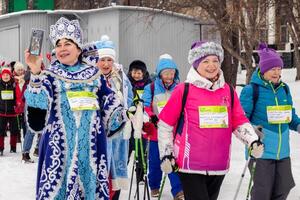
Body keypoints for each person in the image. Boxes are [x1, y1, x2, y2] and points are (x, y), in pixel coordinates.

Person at [24, 17, 126, 199]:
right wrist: (35, 72)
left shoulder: (94, 75)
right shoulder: (49, 76)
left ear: (78, 48)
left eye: (68, 43)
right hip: (60, 152)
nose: (62, 48)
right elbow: (37, 114)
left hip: (91, 151)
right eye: (59, 44)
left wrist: (123, 112)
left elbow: (109, 102)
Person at [157, 41, 264, 200]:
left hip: (219, 164)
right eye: (205, 61)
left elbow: (239, 121)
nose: (211, 65)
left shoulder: (228, 90)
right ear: (196, 64)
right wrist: (167, 154)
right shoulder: (183, 90)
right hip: (190, 165)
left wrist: (252, 141)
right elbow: (165, 124)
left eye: (215, 60)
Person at [240, 43, 300, 200]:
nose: (277, 72)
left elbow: (290, 115)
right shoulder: (252, 90)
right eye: (273, 69)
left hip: (283, 152)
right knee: (262, 192)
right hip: (261, 151)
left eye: (279, 69)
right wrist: (253, 133)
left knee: (284, 187)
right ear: (263, 69)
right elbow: (241, 119)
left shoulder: (284, 89)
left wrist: (298, 125)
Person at [95, 35, 133, 200]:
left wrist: (129, 114)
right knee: (100, 170)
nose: (105, 64)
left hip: (118, 133)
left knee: (116, 171)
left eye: (109, 60)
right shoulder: (91, 77)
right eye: (102, 59)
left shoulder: (122, 77)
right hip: (98, 132)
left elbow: (129, 98)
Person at [142, 54, 184, 200]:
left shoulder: (179, 87)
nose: (169, 76)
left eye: (172, 72)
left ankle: (178, 190)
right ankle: (154, 186)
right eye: (166, 73)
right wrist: (151, 116)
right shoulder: (151, 88)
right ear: (160, 73)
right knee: (155, 162)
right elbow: (145, 105)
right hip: (155, 132)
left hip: (174, 131)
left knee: (173, 160)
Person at [0, 67, 20, 156]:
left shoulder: (14, 84)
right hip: (1, 112)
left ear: (10, 75)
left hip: (13, 112)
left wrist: (18, 104)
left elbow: (18, 96)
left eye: (7, 75)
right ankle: (0, 148)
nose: (5, 76)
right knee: (1, 131)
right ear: (1, 76)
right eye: (4, 75)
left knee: (14, 130)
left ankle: (13, 147)